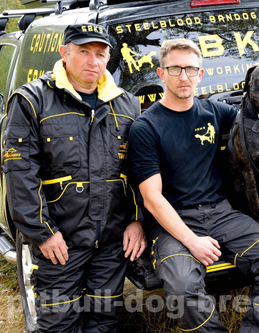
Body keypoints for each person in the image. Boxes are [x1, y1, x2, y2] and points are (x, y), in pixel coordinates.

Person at [128, 38, 259, 333]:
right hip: (172, 222)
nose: (184, 77)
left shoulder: (217, 113)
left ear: (200, 74)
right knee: (181, 286)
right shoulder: (146, 127)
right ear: (161, 74)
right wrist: (192, 241)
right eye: (175, 69)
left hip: (222, 214)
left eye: (191, 69)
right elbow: (152, 199)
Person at [2, 23, 146, 332]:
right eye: (83, 52)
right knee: (58, 323)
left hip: (111, 242)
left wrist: (137, 220)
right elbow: (20, 173)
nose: (93, 62)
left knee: (103, 321)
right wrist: (42, 232)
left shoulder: (128, 105)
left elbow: (138, 172)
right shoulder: (31, 101)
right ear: (64, 52)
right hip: (59, 241)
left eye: (100, 54)